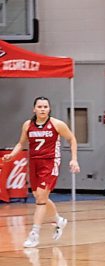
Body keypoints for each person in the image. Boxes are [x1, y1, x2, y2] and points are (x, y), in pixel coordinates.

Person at [2, 96, 80, 248]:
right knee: (39, 195)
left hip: (50, 162)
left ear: (49, 109)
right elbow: (20, 143)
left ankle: (34, 234)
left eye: (45, 107)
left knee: (41, 199)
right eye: (40, 106)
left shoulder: (57, 124)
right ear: (34, 109)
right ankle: (58, 220)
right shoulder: (27, 125)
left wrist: (74, 159)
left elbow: (72, 139)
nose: (43, 109)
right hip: (34, 162)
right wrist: (12, 155)